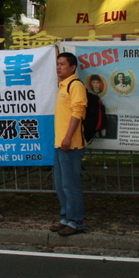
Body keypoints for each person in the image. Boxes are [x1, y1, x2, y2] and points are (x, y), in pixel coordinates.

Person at [51, 52, 87, 236]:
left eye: (62, 64)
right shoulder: (62, 86)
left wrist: (68, 137)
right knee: (61, 185)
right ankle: (66, 218)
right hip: (59, 144)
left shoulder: (75, 85)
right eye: (57, 64)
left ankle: (76, 222)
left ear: (73, 67)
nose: (58, 67)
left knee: (70, 185)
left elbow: (77, 112)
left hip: (70, 144)